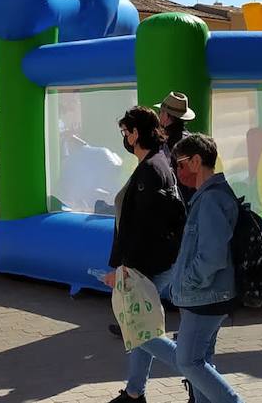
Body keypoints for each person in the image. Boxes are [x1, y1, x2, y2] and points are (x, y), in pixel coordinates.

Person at [120, 133, 243, 403]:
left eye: (180, 164)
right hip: (206, 295)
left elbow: (212, 256)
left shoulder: (211, 200)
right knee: (200, 361)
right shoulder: (208, 196)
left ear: (197, 161)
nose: (177, 171)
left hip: (205, 296)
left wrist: (186, 283)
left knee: (188, 362)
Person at [105, 106, 187, 403]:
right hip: (153, 262)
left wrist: (122, 269)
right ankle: (134, 391)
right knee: (140, 326)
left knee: (144, 332)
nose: (124, 138)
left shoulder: (150, 170)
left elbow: (142, 228)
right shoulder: (157, 162)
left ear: (136, 133)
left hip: (145, 265)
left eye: (126, 132)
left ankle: (199, 373)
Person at [156, 91, 197, 202]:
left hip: (173, 202)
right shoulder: (192, 141)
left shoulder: (162, 142)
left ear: (165, 115)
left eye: (160, 112)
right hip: (193, 199)